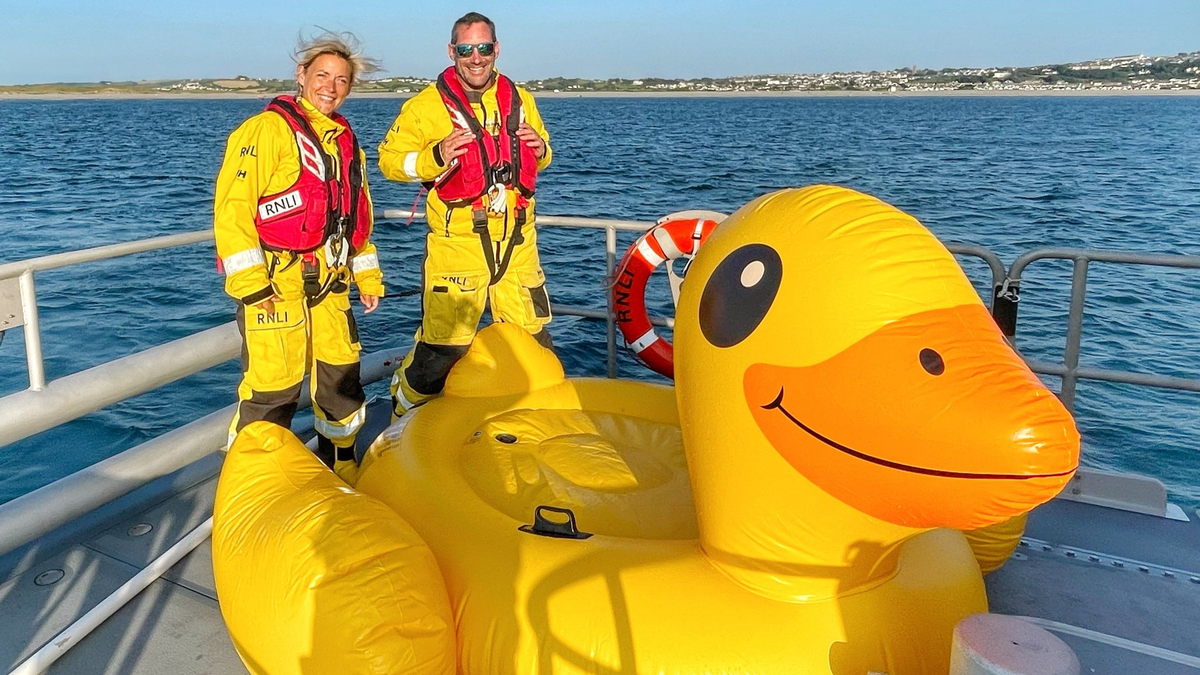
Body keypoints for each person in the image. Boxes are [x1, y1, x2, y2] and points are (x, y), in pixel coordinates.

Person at [213, 32, 383, 481]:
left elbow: (355, 216)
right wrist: (252, 286)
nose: (330, 86)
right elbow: (233, 211)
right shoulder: (265, 131)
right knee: (273, 391)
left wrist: (369, 277)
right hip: (276, 288)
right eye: (322, 75)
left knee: (341, 382)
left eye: (341, 79)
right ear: (301, 76)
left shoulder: (346, 142)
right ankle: (251, 483)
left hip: (331, 287)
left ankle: (341, 465)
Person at [378, 11, 554, 419]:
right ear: (451, 51)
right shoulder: (424, 107)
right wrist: (434, 156)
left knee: (534, 343)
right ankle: (400, 417)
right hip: (459, 247)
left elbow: (543, 154)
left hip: (517, 245)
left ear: (497, 49)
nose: (476, 58)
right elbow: (389, 162)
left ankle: (534, 423)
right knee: (443, 350)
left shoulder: (521, 98)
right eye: (466, 49)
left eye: (484, 48)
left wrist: (539, 150)